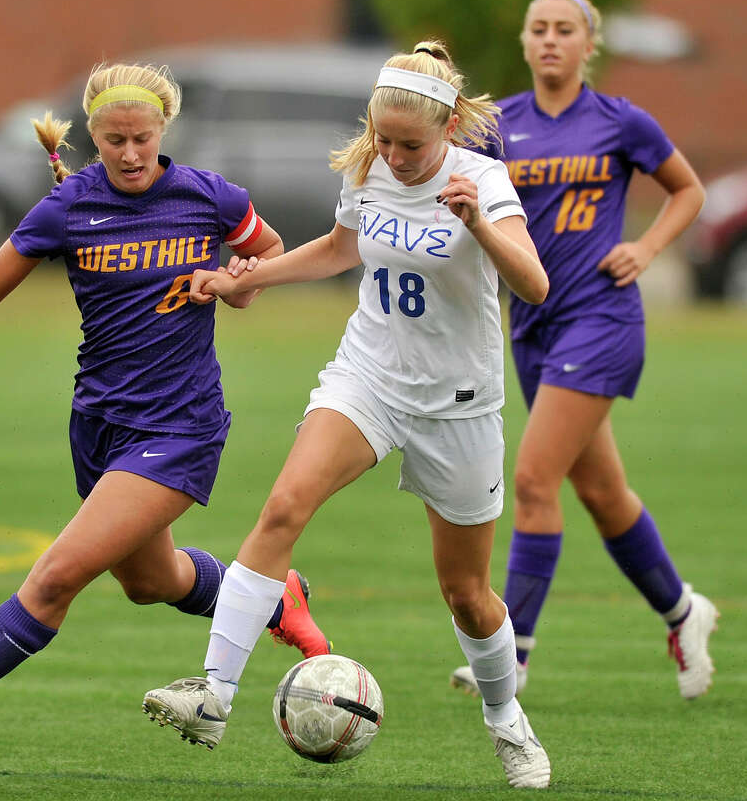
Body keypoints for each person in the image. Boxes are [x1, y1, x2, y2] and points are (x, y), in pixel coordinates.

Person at [0, 61, 332, 745]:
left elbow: (268, 257)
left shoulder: (210, 198)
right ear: (94, 138)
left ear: (165, 128)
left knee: (53, 581)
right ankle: (273, 598)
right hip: (100, 426)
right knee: (150, 580)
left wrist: (232, 282)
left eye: (142, 138)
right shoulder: (69, 207)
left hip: (180, 427)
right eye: (114, 141)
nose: (131, 153)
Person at [141, 41, 554, 789]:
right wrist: (250, 279)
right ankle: (214, 694)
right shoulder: (368, 169)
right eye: (383, 139)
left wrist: (482, 226)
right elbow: (340, 248)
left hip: (458, 404)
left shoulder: (482, 180)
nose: (392, 156)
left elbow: (534, 285)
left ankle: (508, 724)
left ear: (451, 125)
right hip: (367, 379)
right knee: (281, 511)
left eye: (409, 144)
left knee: (467, 592)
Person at [449, 0, 717, 703]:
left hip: (602, 320)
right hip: (533, 326)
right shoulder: (498, 125)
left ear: (587, 43)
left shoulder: (619, 120)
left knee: (534, 481)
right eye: (538, 28)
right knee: (602, 494)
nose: (550, 40)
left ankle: (513, 655)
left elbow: (687, 191)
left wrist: (648, 246)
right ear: (525, 40)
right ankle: (685, 613)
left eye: (565, 29)